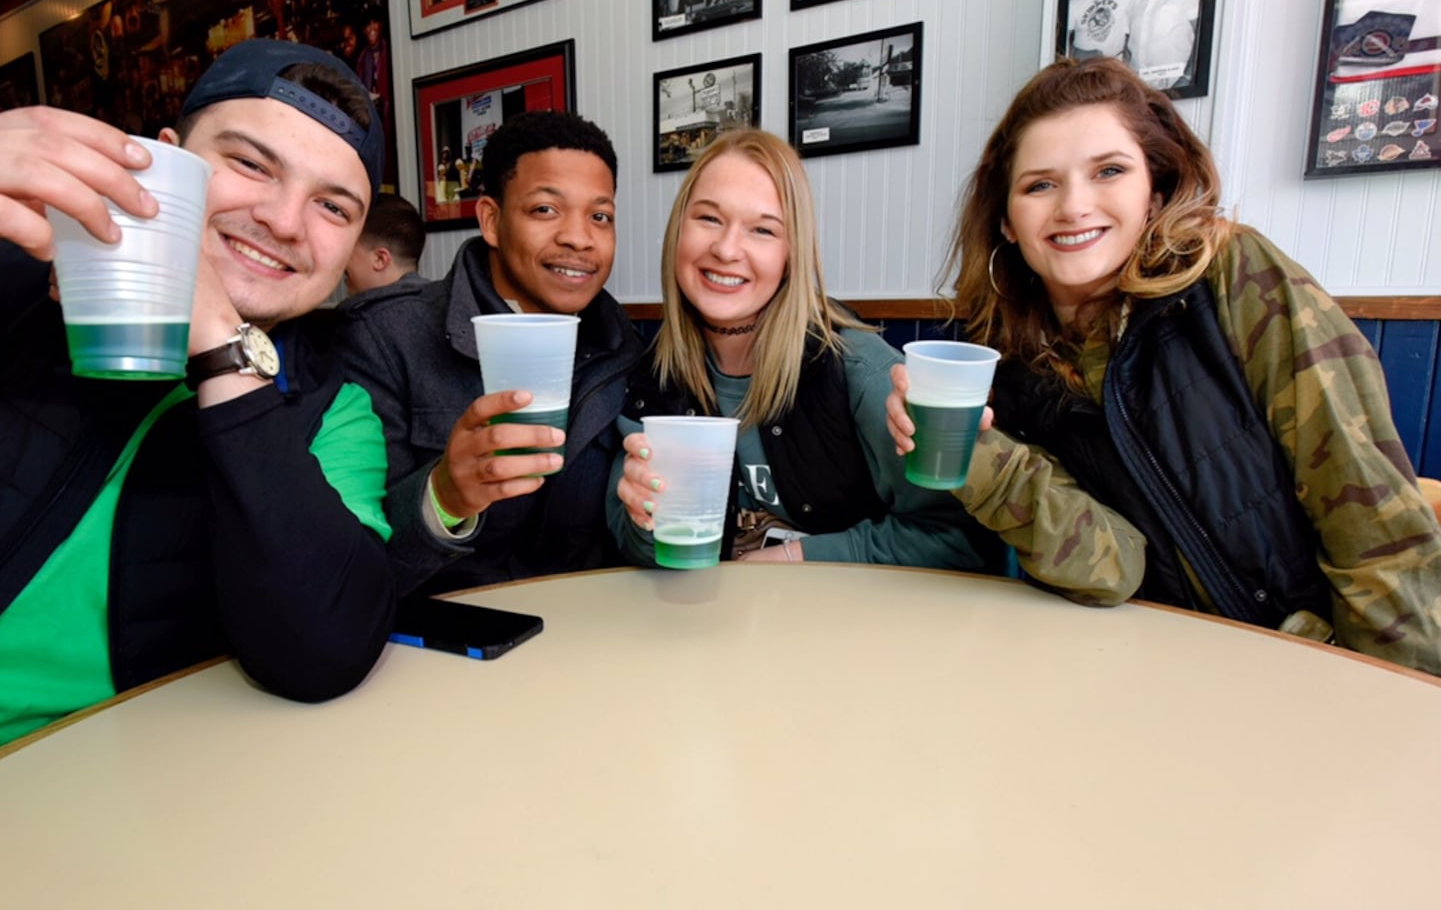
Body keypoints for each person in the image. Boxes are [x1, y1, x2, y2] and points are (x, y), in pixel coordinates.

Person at [0, 38, 398, 845]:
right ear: (165, 159)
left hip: (90, 833)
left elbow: (323, 651)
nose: (285, 222)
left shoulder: (331, 410)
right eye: (251, 165)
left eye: (334, 207)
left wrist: (218, 342)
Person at [884, 56, 1441, 674]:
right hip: (1157, 675)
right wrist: (980, 458)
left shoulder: (1234, 276)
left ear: (1157, 189)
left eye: (1109, 171)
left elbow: (1373, 521)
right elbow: (1114, 569)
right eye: (1039, 184)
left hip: (1313, 666)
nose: (1072, 206)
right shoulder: (1011, 363)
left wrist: (1399, 702)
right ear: (1007, 223)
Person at [609, 129, 1000, 571]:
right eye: (709, 219)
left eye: (762, 229)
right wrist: (646, 521)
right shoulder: (650, 380)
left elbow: (960, 540)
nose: (726, 248)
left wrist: (793, 559)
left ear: (790, 255)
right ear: (677, 232)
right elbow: (639, 556)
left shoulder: (859, 371)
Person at [338, 110, 644, 594]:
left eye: (600, 216)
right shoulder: (387, 337)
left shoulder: (626, 349)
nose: (579, 237)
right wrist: (442, 497)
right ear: (492, 220)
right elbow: (343, 565)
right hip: (440, 640)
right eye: (546, 209)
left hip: (591, 633)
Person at [342, 193, 427, 298]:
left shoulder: (366, 314)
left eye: (349, 246)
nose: (341, 257)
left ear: (380, 259)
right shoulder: (440, 306)